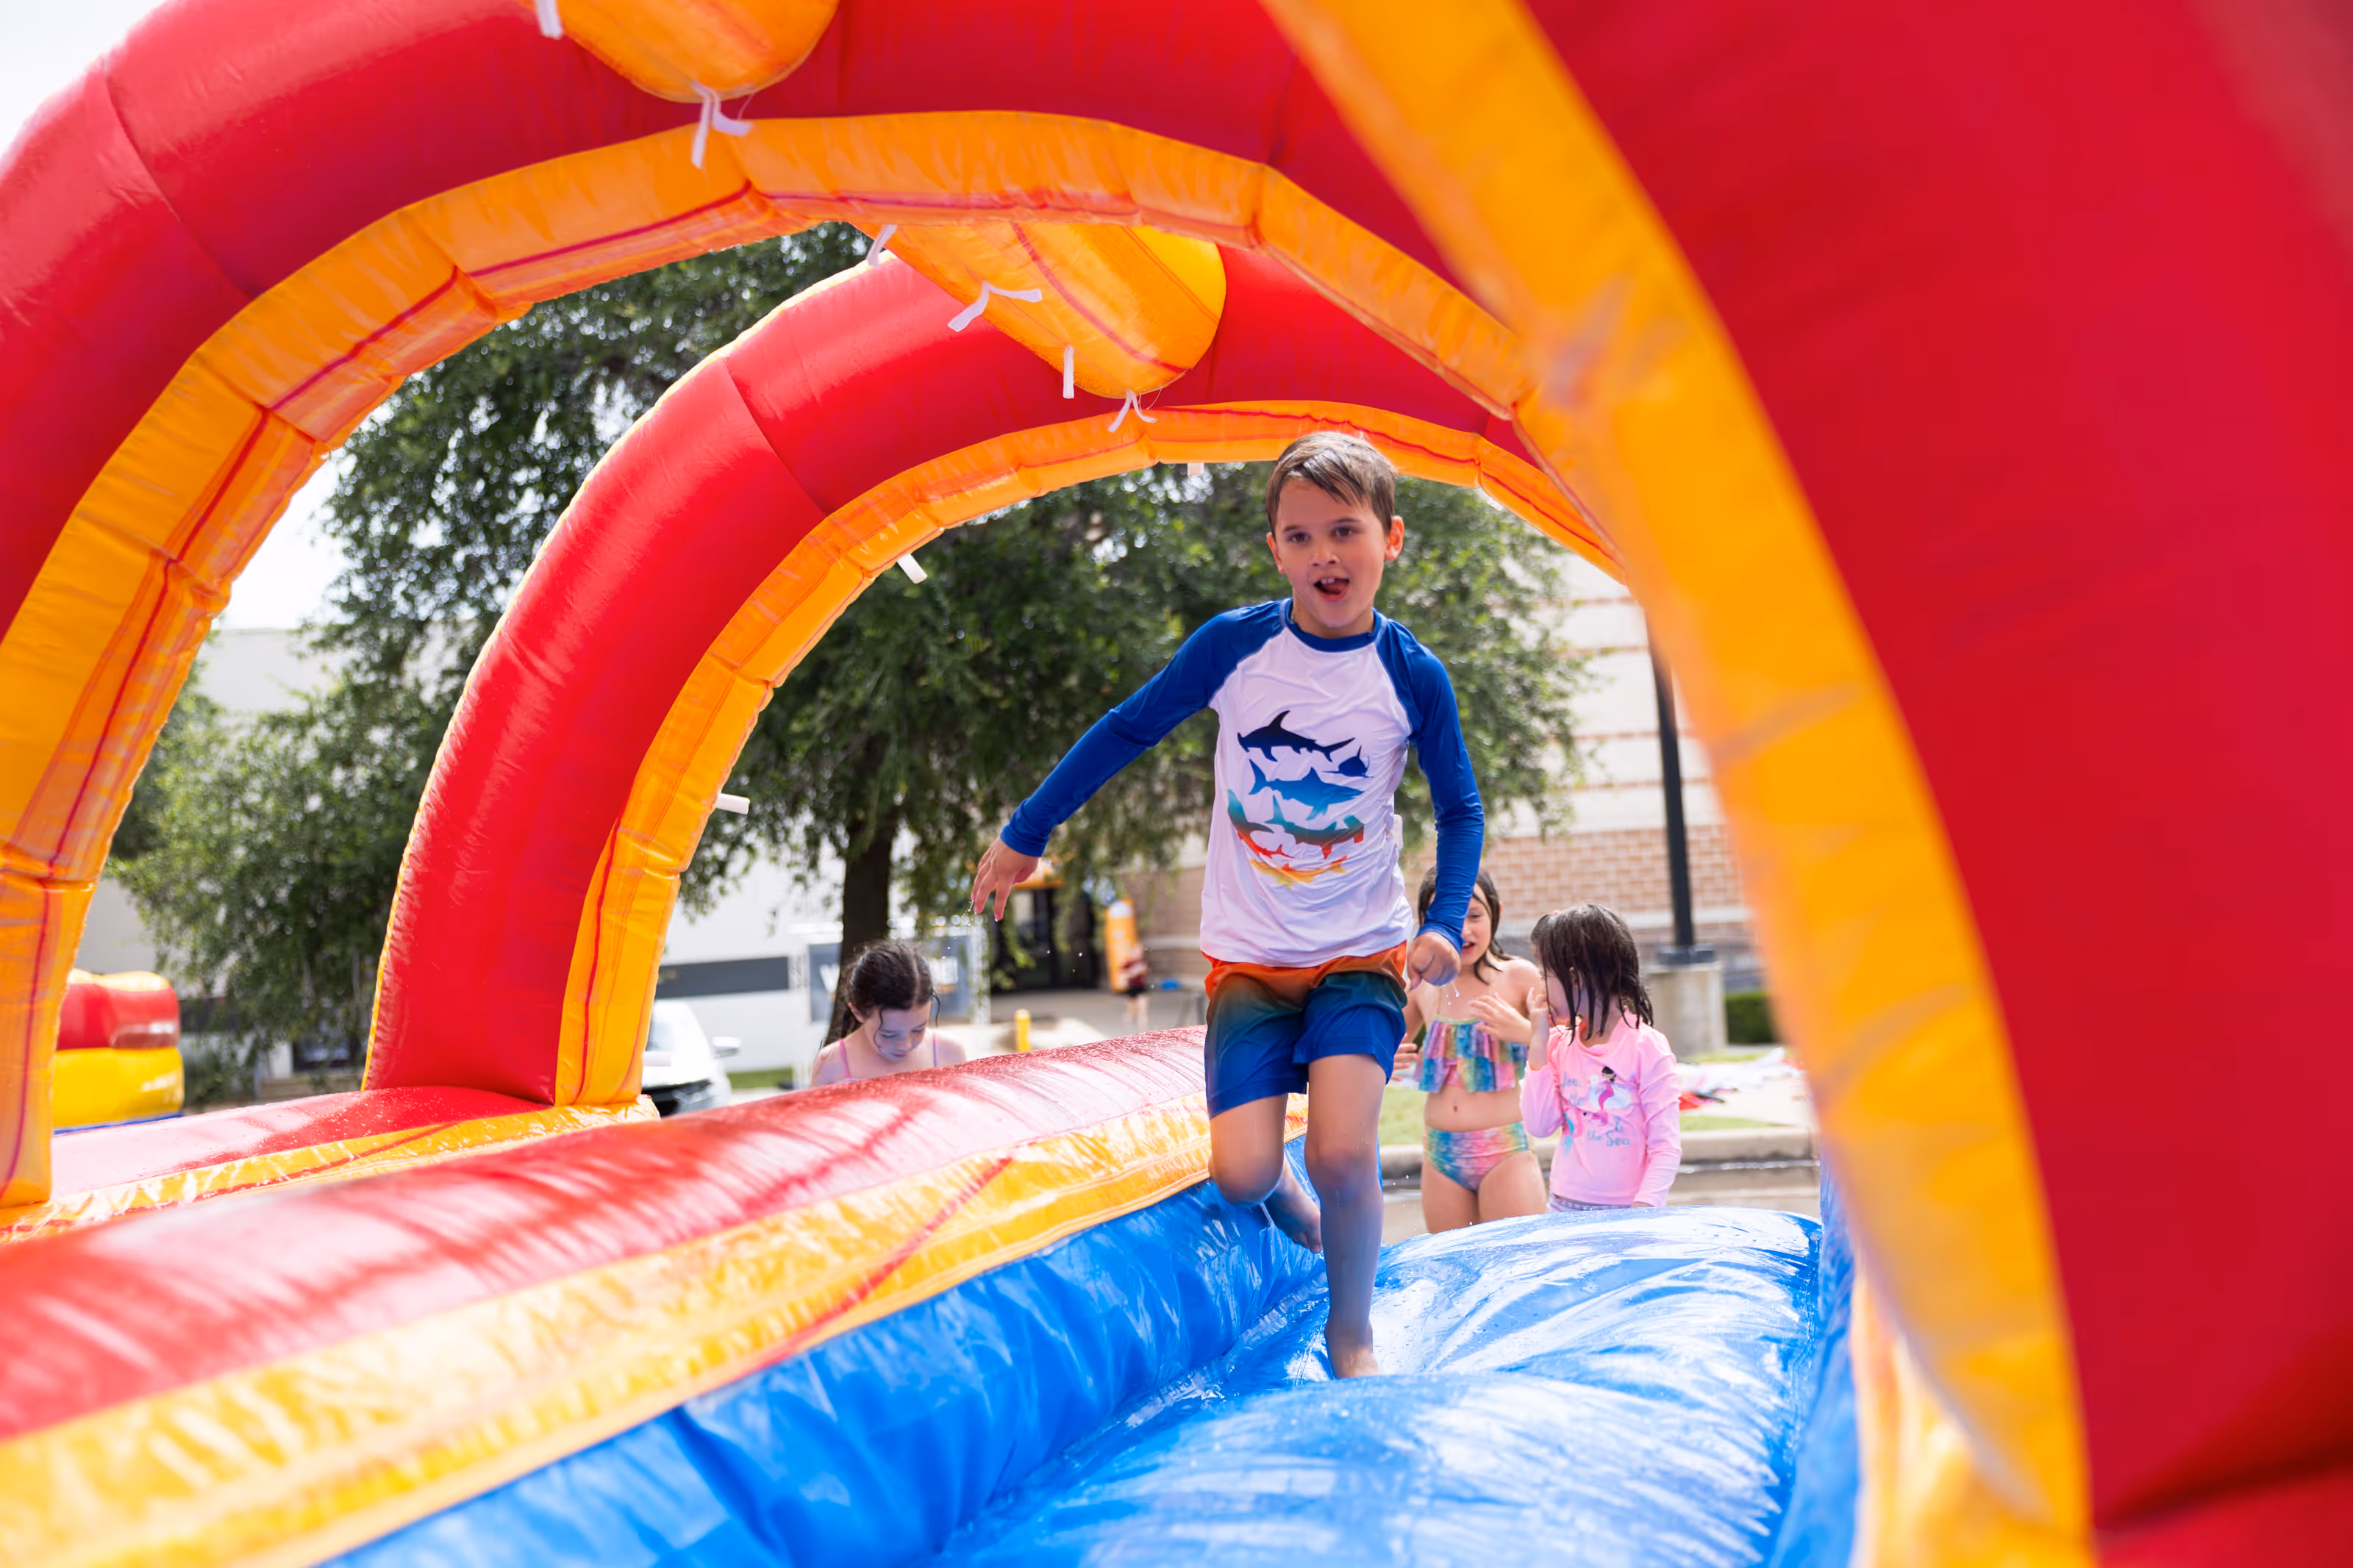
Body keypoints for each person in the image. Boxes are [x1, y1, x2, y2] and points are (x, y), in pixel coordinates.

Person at [971, 432, 1482, 1378]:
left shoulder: (1411, 677)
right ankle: (1280, 1195)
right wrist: (1026, 829)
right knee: (1242, 1173)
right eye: (1299, 536)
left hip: (1358, 955)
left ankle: (1352, 1331)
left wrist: (1443, 923)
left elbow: (1458, 807)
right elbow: (1126, 728)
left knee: (1341, 1148)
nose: (1323, 554)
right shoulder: (1235, 649)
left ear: (1392, 539)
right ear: (1273, 551)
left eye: (1344, 530)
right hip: (1248, 959)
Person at [1391, 867, 1547, 1230]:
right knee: (1452, 1270)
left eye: (1475, 915)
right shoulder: (1423, 987)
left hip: (1503, 1150)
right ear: (1426, 925)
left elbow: (1573, 1050)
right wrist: (1382, 1060)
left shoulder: (1519, 977)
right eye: (1447, 917)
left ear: (1497, 912)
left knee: (1517, 1262)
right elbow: (1382, 1045)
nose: (1463, 930)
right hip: (1440, 1154)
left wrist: (1526, 1031)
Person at [1520, 904, 1682, 1211]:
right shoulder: (1558, 1044)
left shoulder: (1646, 1048)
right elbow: (1539, 1126)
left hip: (1627, 1212)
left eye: (1544, 974)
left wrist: (1644, 1210)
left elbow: (1665, 1146)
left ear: (1575, 978)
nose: (1539, 987)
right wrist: (1538, 1041)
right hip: (1562, 1208)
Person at [810, 939, 971, 1085]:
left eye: (918, 1029)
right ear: (857, 1011)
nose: (905, 1045)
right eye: (889, 1034)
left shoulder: (950, 1054)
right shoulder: (830, 1065)